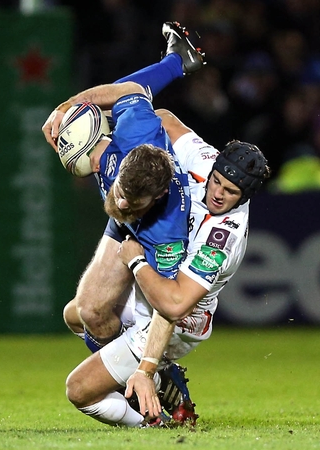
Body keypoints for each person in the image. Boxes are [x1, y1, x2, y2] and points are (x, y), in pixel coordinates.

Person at [62, 110, 271, 427]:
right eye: (217, 181)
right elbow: (163, 118)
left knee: (79, 390)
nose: (217, 193)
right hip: (156, 286)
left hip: (181, 319)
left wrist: (136, 262)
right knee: (78, 314)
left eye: (230, 192)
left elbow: (174, 305)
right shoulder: (206, 160)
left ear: (244, 198)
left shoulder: (222, 236)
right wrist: (103, 118)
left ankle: (150, 420)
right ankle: (163, 381)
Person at [41, 21, 205, 355]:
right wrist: (68, 106)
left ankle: (154, 376)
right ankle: (179, 60)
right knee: (82, 314)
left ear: (157, 197)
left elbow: (168, 309)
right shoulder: (135, 131)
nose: (120, 200)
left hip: (152, 238)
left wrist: (148, 364)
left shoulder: (167, 233)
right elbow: (128, 91)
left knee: (102, 320)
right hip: (130, 221)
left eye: (130, 199)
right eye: (118, 192)